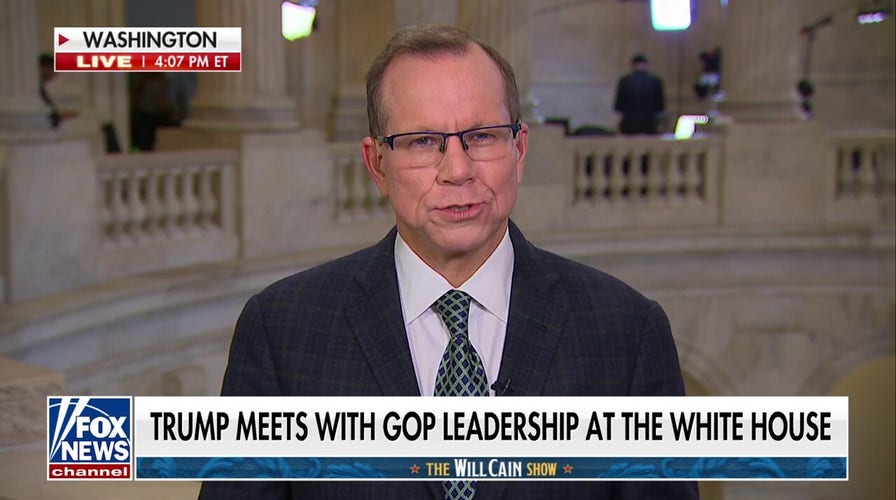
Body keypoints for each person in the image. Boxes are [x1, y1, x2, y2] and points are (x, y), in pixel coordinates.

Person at [200, 24, 697, 500]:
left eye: (482, 136)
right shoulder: (283, 330)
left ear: (519, 149)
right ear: (377, 165)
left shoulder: (627, 333)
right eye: (421, 142)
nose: (457, 170)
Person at [613, 54, 666, 135]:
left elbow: (618, 107)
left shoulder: (625, 81)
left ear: (632, 65)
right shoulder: (655, 81)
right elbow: (660, 107)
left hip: (629, 124)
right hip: (649, 124)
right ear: (646, 65)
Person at [38, 53, 78, 128]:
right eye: (54, 70)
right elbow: (46, 113)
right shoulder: (36, 88)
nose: (55, 74)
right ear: (45, 68)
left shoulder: (39, 87)